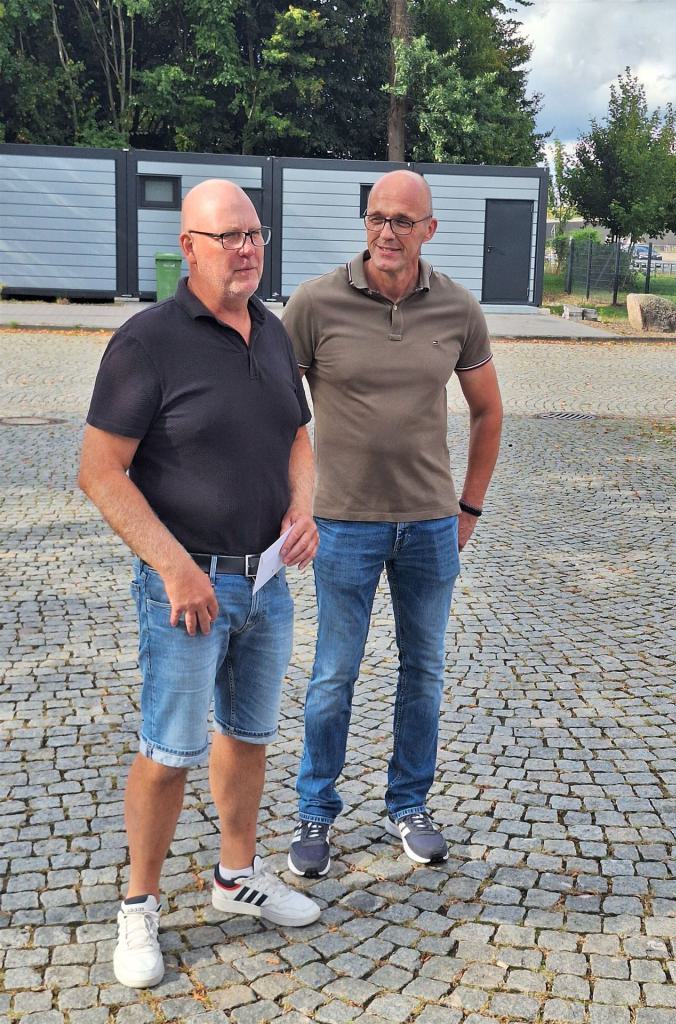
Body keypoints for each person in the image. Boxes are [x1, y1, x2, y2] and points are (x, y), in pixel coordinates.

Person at [78, 179, 321, 991]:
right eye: (229, 237)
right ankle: (139, 905)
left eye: (255, 234)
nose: (247, 249)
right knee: (167, 750)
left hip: (267, 582)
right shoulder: (146, 343)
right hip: (184, 591)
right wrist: (173, 566)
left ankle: (236, 876)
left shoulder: (273, 333)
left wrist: (304, 507)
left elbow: (297, 437)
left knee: (248, 736)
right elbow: (99, 471)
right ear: (188, 247)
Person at [282, 169, 503, 877]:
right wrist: (294, 502)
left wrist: (468, 506)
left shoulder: (457, 309)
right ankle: (315, 808)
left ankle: (409, 804)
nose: (387, 232)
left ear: (429, 230)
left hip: (429, 525)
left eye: (403, 220)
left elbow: (489, 411)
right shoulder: (315, 303)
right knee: (333, 673)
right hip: (342, 524)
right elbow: (273, 408)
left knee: (424, 672)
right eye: (377, 217)